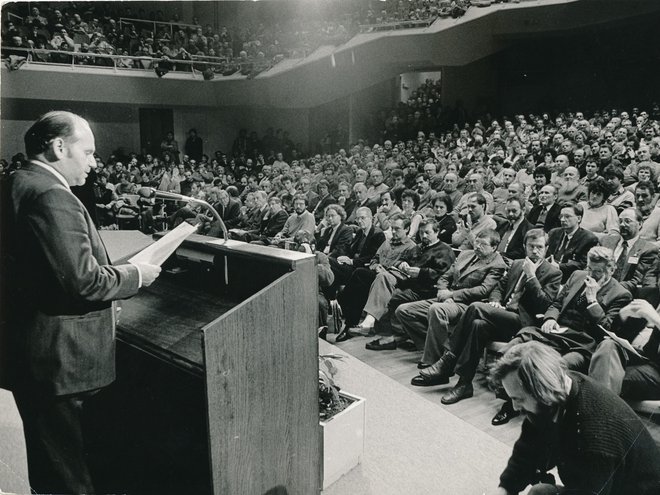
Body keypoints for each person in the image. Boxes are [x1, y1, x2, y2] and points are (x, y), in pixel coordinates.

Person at [0, 111, 161, 494]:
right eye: (87, 152)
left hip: (32, 353)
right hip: (62, 363)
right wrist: (136, 274)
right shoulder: (52, 195)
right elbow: (82, 281)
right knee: (70, 476)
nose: (94, 162)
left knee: (51, 466)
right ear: (58, 147)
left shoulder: (14, 183)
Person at [488, 341, 660, 495]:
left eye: (518, 399)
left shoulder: (594, 438)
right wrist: (505, 488)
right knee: (540, 492)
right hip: (599, 484)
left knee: (540, 492)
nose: (515, 407)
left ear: (541, 391)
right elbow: (528, 449)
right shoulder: (558, 390)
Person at [431, 229, 562, 404]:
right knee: (477, 324)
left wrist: (531, 276)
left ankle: (449, 358)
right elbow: (499, 286)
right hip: (503, 315)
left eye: (540, 247)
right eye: (531, 246)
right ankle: (464, 384)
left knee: (475, 306)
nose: (535, 251)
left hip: (524, 323)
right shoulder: (517, 264)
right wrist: (495, 301)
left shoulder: (553, 273)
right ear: (524, 247)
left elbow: (545, 305)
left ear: (546, 249)